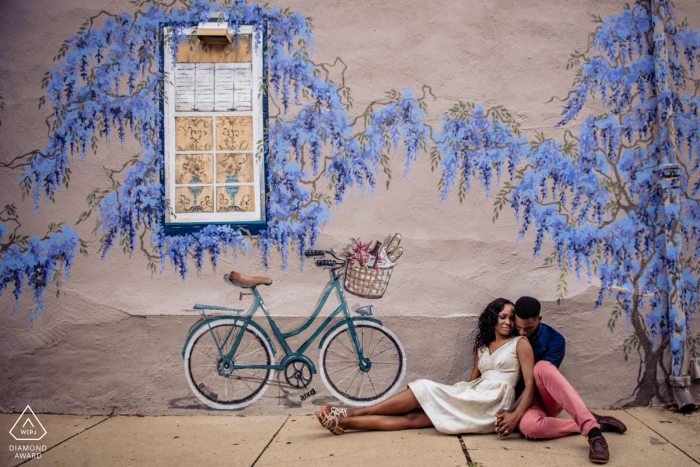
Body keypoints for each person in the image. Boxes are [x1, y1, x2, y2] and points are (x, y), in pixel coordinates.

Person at [317, 298, 537, 437]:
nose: (508, 322)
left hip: (493, 403)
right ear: (493, 318)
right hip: (474, 396)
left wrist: (515, 414)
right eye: (503, 317)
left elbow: (530, 385)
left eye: (511, 318)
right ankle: (344, 422)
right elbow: (471, 382)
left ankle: (350, 412)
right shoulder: (481, 348)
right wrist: (454, 397)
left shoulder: (520, 343)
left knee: (422, 387)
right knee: (413, 419)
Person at [495, 296, 627, 464]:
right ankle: (593, 421)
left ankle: (594, 433)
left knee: (541, 367)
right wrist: (515, 412)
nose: (522, 332)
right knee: (529, 428)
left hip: (546, 398)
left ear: (539, 319)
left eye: (528, 328)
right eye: (519, 327)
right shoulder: (510, 332)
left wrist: (515, 414)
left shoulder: (555, 340)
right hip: (525, 403)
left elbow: (536, 382)